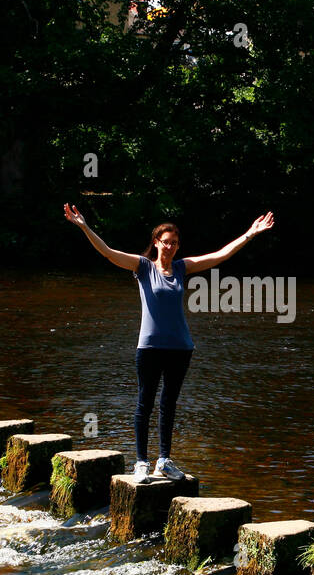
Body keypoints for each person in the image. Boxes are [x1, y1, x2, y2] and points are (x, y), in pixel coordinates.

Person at [64, 204, 275, 483]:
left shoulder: (181, 268)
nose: (170, 247)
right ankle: (141, 463)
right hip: (149, 347)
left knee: (169, 404)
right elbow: (107, 252)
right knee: (144, 404)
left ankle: (163, 460)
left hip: (180, 347)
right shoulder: (142, 267)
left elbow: (219, 255)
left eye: (175, 243)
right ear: (156, 242)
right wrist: (84, 226)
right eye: (166, 242)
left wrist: (251, 233)